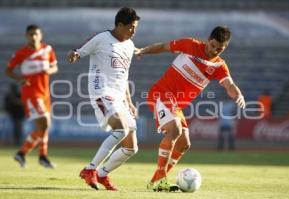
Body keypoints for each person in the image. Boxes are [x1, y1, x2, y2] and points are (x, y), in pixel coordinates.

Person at [135, 26, 246, 191]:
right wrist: (144, 50)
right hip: (161, 93)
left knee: (184, 144)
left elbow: (229, 84)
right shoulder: (190, 45)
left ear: (225, 47)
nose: (214, 51)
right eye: (213, 45)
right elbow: (163, 46)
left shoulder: (219, 66)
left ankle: (155, 180)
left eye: (219, 49)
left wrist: (238, 95)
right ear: (209, 39)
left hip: (175, 105)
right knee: (175, 130)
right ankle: (161, 178)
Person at [67, 7, 140, 191]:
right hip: (102, 92)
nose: (133, 31)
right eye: (131, 27)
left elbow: (124, 77)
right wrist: (74, 55)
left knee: (132, 148)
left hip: (120, 97)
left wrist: (129, 102)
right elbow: (79, 51)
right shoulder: (101, 38)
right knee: (121, 129)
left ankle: (102, 174)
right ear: (119, 25)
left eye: (135, 27)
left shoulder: (130, 46)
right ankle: (90, 169)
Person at [5, 24, 58, 168]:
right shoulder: (21, 53)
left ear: (40, 35)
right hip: (31, 92)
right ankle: (42, 156)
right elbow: (8, 70)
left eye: (36, 34)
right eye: (31, 34)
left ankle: (22, 153)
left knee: (43, 127)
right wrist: (18, 79)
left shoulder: (48, 49)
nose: (33, 37)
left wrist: (49, 70)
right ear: (26, 36)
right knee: (45, 123)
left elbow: (55, 66)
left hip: (45, 93)